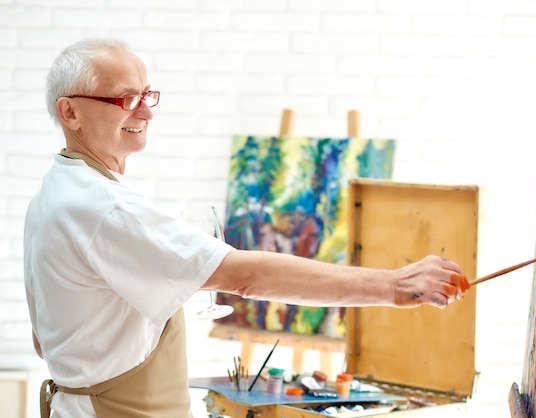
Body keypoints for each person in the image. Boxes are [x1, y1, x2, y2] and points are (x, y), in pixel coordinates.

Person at [23, 37, 471, 418]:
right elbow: (246, 275)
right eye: (125, 98)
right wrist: (393, 285)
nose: (146, 112)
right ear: (70, 112)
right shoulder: (106, 208)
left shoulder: (51, 196)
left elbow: (47, 342)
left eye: (147, 95)